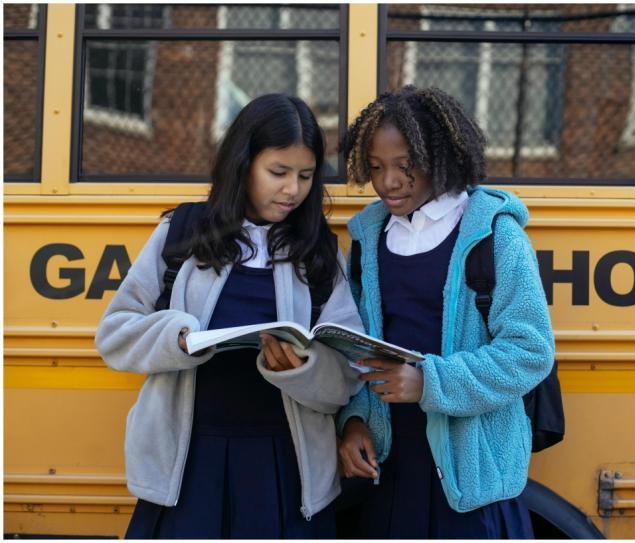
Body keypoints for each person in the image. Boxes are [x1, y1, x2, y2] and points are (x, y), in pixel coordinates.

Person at [95, 94, 363, 538]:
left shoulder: (319, 253)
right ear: (242, 164)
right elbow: (115, 334)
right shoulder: (182, 233)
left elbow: (347, 375)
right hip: (186, 465)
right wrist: (178, 339)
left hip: (286, 467)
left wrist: (303, 369)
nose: (292, 190)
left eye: (305, 176)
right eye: (278, 172)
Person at [336, 85, 555, 539]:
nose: (388, 182)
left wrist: (429, 383)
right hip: (392, 463)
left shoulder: (495, 237)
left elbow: (530, 350)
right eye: (375, 168)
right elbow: (357, 348)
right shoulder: (368, 241)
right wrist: (355, 420)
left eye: (405, 166)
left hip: (469, 473)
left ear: (441, 158)